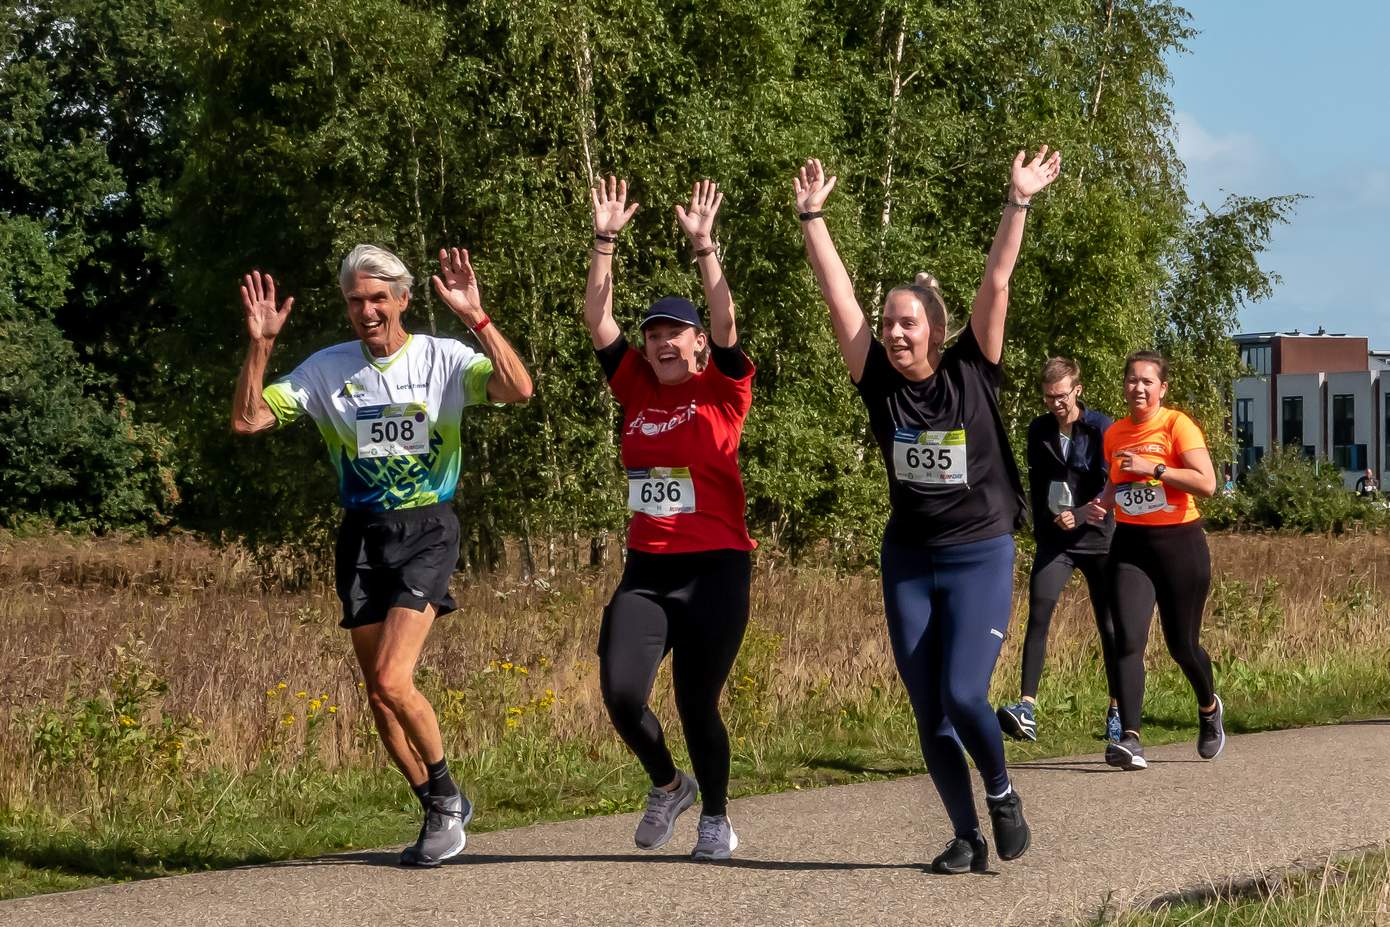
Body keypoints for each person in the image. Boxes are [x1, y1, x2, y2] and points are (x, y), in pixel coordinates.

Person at [794, 147, 1061, 874]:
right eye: (888, 322)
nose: (894, 331)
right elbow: (837, 296)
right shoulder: (877, 381)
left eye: (908, 322)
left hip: (979, 552)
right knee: (928, 709)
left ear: (936, 330)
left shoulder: (974, 365)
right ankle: (966, 834)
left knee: (964, 690)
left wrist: (1018, 199)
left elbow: (997, 279)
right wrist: (813, 217)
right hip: (909, 559)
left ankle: (1002, 792)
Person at [230, 244, 533, 866]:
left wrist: (477, 317)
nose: (366, 311)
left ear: (402, 299)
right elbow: (249, 420)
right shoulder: (326, 368)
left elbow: (517, 388)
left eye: (377, 298)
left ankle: (447, 799)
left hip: (426, 528)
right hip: (362, 534)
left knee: (396, 678)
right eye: (354, 300)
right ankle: (435, 802)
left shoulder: (441, 357)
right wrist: (260, 346)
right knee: (376, 692)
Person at [584, 177, 756, 861]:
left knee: (696, 702)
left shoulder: (722, 389)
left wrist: (705, 247)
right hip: (648, 571)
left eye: (673, 333)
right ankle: (668, 782)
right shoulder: (634, 386)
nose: (660, 343)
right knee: (622, 693)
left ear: (697, 345)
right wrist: (605, 241)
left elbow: (727, 322)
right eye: (652, 332)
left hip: (716, 568)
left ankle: (715, 814)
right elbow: (598, 323)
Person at [1082, 351, 1223, 771]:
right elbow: (1117, 481)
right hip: (1130, 546)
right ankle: (1130, 738)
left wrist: (1155, 468)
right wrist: (1103, 504)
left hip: (1180, 544)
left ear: (1162, 389)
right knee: (1127, 638)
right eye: (1131, 380)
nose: (1138, 388)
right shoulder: (1116, 434)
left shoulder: (1177, 425)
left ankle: (1209, 707)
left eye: (1147, 381)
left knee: (1182, 645)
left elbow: (1207, 483)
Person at [996, 357, 1120, 744]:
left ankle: (1118, 710)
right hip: (1056, 540)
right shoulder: (1039, 430)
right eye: (1049, 397)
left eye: (1061, 396)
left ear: (1077, 390)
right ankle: (1026, 708)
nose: (1055, 404)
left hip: (1099, 538)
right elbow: (1034, 482)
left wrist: (1080, 515)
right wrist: (1032, 524)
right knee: (1039, 614)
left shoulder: (1101, 428)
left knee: (1110, 626)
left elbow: (1112, 487)